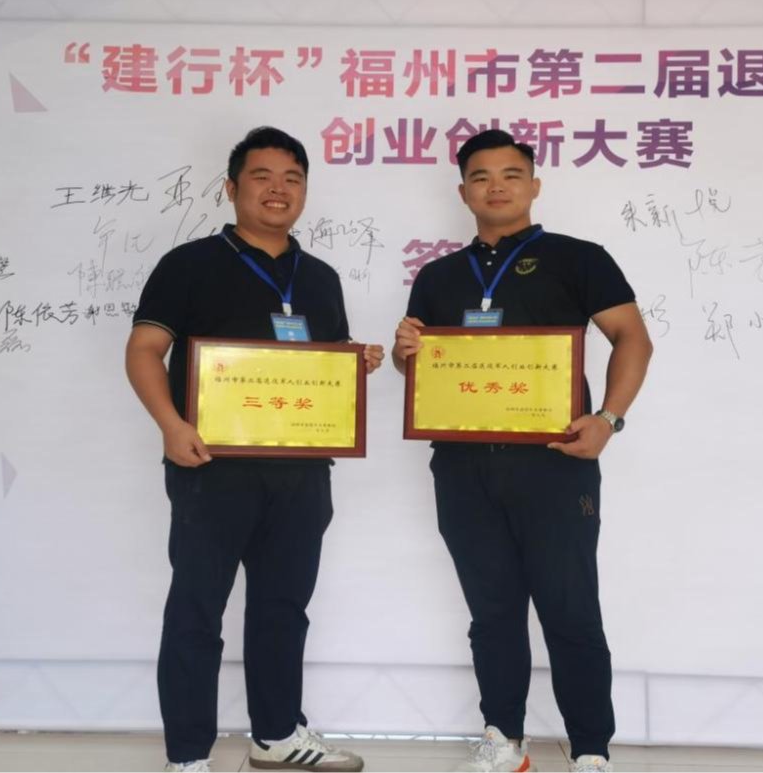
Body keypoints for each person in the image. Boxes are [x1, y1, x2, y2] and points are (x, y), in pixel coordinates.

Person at [392, 129, 652, 773]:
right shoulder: (438, 276)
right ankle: (503, 739)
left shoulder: (579, 258)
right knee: (492, 611)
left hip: (556, 463)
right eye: (481, 177)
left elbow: (633, 339)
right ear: (463, 192)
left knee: (570, 609)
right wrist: (403, 355)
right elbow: (423, 370)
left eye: (511, 174)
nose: (496, 187)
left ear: (534, 185)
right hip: (462, 466)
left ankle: (590, 749)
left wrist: (608, 419)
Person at [126, 126, 382, 773]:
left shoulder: (319, 277)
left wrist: (355, 365)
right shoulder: (188, 264)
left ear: (305, 191)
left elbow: (324, 367)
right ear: (231, 187)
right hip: (210, 467)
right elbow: (144, 350)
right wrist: (170, 425)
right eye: (262, 176)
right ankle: (188, 755)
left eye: (292, 178)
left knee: (283, 609)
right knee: (197, 610)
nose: (278, 189)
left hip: (301, 472)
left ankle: (276, 735)